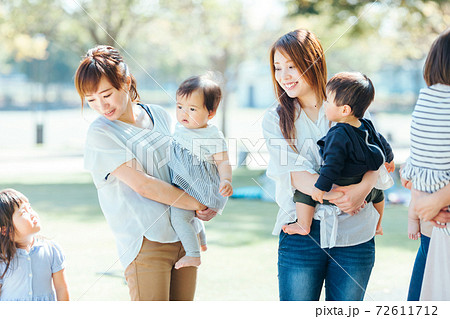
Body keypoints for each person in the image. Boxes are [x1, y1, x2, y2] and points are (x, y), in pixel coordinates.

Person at [74, 45, 217, 301]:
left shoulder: (160, 115)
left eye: (106, 94)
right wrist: (199, 202)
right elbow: (145, 185)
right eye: (92, 100)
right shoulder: (101, 133)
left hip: (184, 236)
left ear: (126, 82)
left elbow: (182, 167)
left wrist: (206, 199)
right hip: (145, 244)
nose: (101, 105)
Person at [262, 29, 382, 301]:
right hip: (301, 235)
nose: (284, 76)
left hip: (354, 234)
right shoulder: (275, 119)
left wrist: (362, 190)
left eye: (291, 66)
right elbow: (295, 175)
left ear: (313, 62)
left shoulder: (349, 106)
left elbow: (376, 160)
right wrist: (342, 196)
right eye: (278, 68)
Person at [284, 72, 394, 236]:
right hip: (361, 178)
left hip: (342, 180)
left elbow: (332, 165)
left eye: (328, 101)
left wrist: (320, 188)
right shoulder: (366, 124)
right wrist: (390, 158)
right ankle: (378, 225)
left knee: (303, 192)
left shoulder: (338, 133)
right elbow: (381, 140)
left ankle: (302, 224)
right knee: (378, 193)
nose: (324, 105)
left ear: (344, 110)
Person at [400, 28, 450, 301]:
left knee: (422, 296)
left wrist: (423, 201)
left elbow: (419, 155)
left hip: (427, 198)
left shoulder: (425, 99)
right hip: (433, 210)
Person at [169, 74, 232, 269]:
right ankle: (202, 240)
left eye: (192, 109)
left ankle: (193, 254)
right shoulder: (180, 128)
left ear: (210, 113)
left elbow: (223, 162)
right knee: (191, 214)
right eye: (179, 107)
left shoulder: (211, 135)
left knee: (179, 216)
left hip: (200, 185)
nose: (183, 113)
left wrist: (226, 180)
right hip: (185, 181)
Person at [0, 188, 69, 301]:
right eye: (23, 212)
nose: (31, 213)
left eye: (30, 208)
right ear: (5, 230)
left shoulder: (52, 250)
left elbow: (61, 288)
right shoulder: (2, 258)